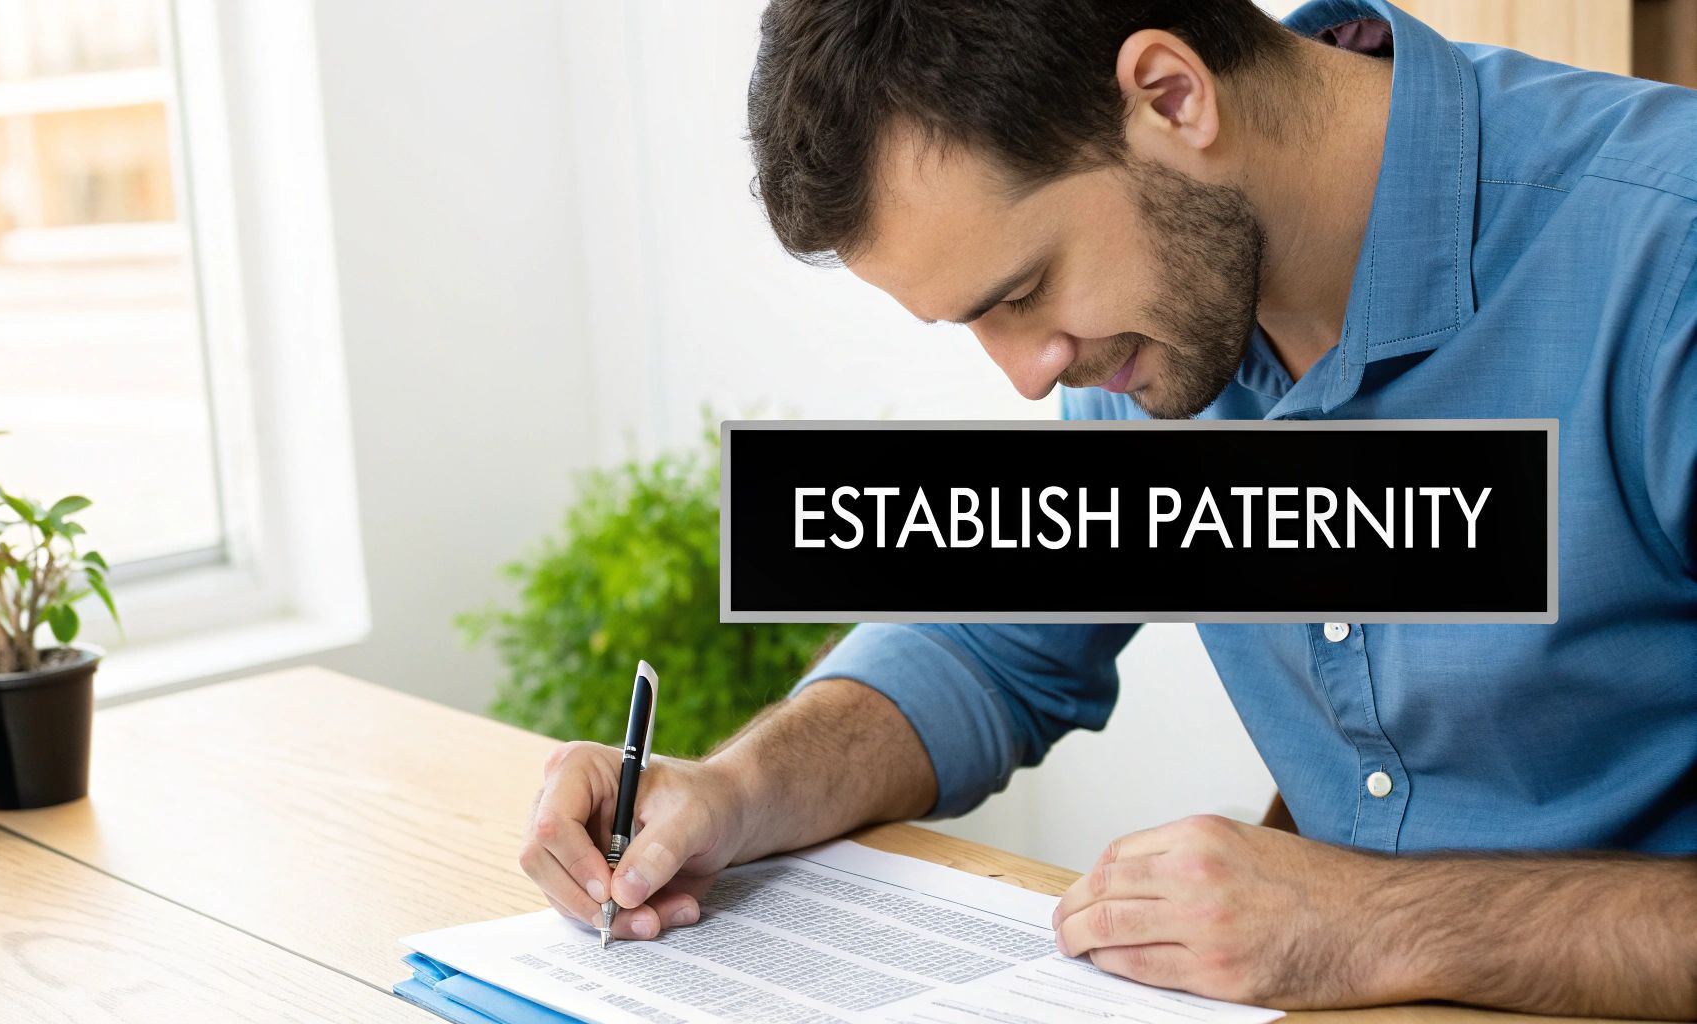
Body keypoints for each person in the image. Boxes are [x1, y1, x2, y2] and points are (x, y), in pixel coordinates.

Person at [520, 0, 1697, 1014]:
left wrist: (1374, 917)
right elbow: (989, 648)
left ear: (1170, 96)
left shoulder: (1666, 264)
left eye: (1023, 291)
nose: (1026, 373)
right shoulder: (1159, 330)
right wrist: (734, 789)